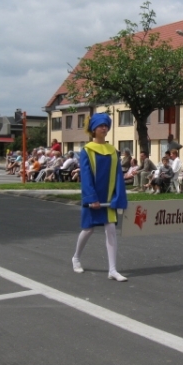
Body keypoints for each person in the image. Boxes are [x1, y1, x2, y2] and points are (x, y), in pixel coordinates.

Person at [72, 113, 128, 282]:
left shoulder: (112, 151)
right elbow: (86, 176)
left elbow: (118, 175)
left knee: (111, 229)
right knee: (88, 229)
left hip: (108, 198)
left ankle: (112, 269)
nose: (104, 128)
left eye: (106, 125)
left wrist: (119, 196)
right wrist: (91, 198)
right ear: (93, 129)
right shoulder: (87, 150)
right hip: (93, 198)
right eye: (101, 126)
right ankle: (76, 258)